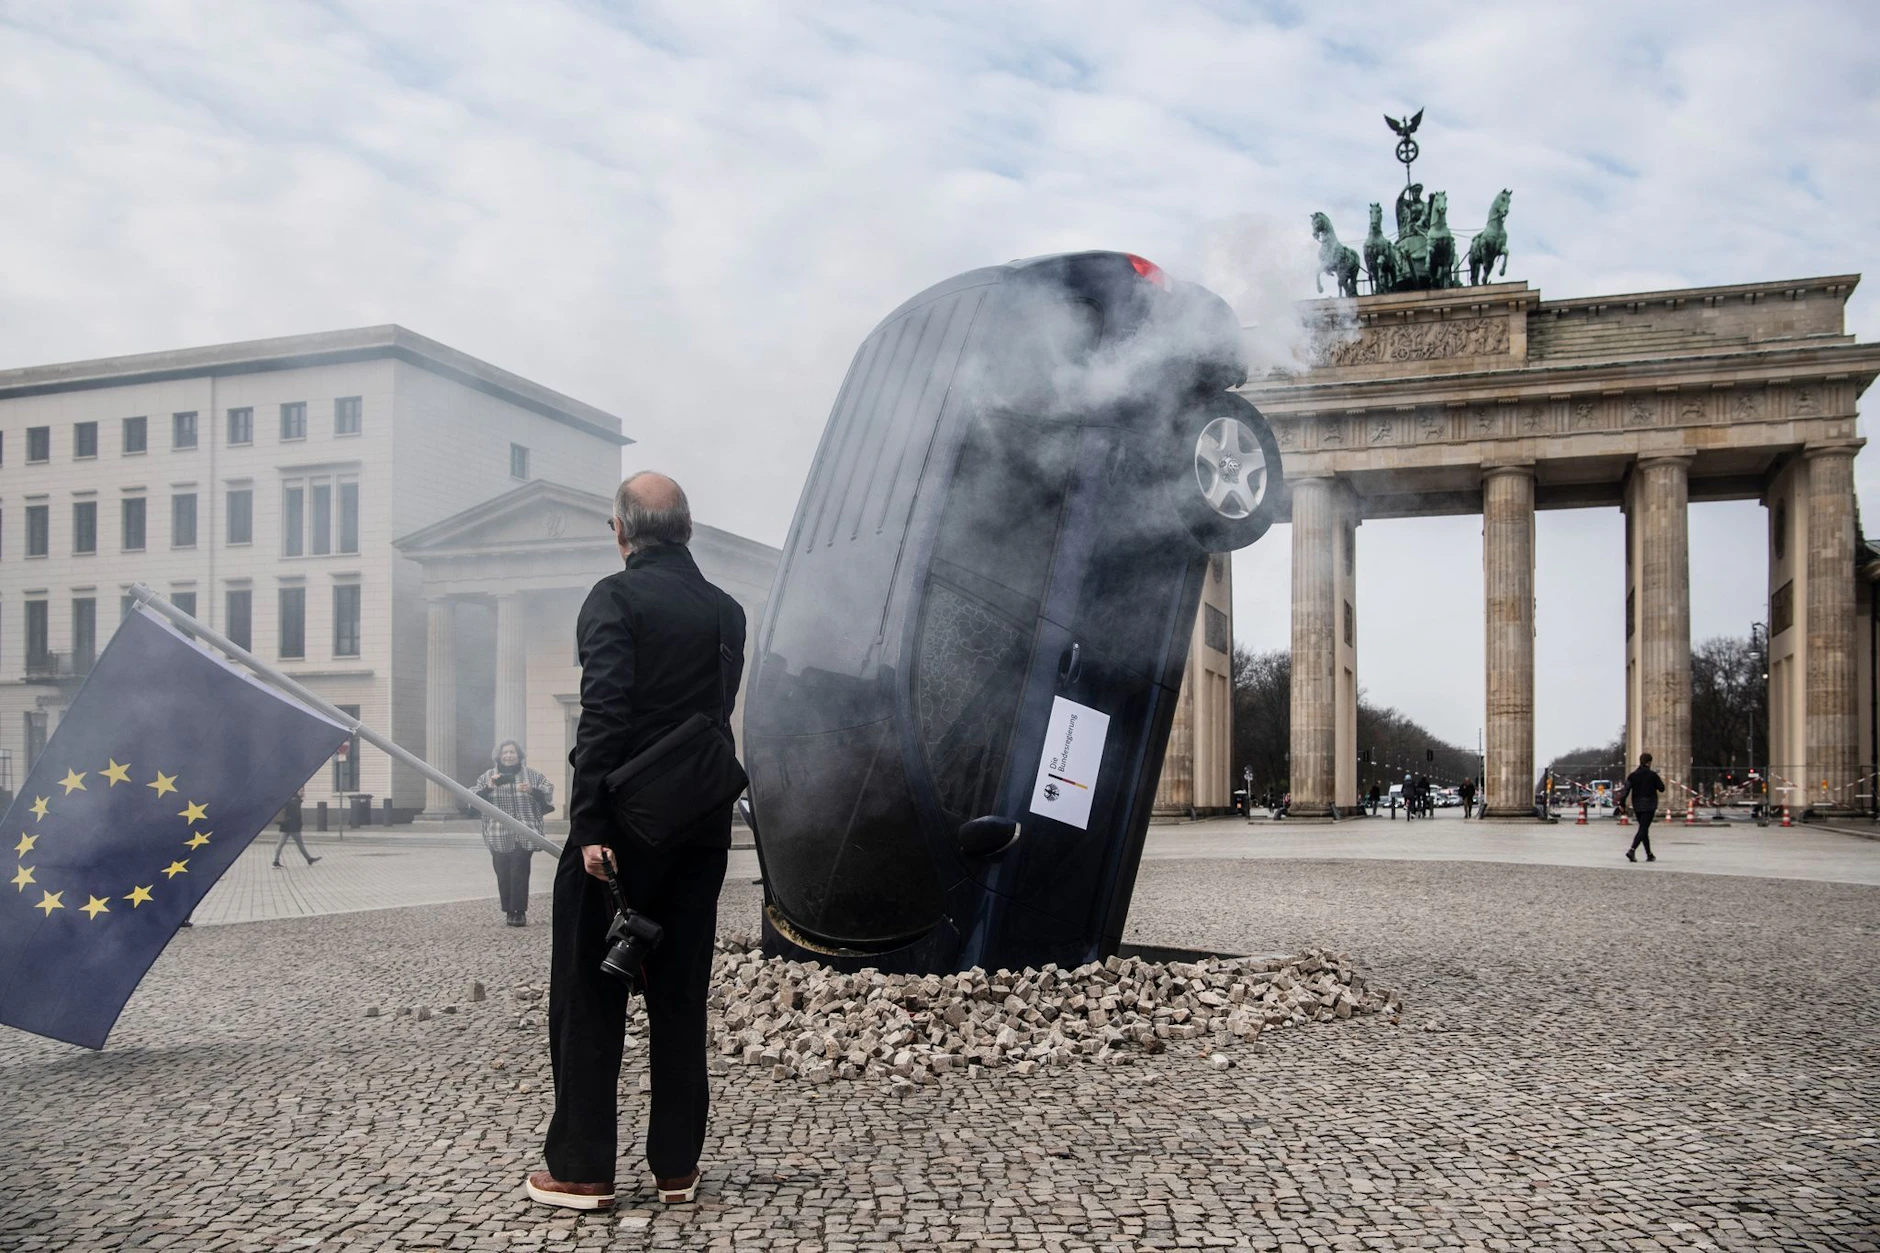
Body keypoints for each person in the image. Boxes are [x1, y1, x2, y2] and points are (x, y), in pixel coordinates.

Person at [528, 473, 746, 1212]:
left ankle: (584, 1170)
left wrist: (588, 823)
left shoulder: (613, 598)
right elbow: (708, 719)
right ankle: (677, 1167)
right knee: (680, 997)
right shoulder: (728, 612)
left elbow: (607, 713)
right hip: (700, 831)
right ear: (687, 528)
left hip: (619, 834)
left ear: (621, 531)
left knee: (590, 996)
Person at [475, 740, 553, 927]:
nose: (509, 756)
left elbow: (548, 793)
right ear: (499, 756)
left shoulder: (532, 775)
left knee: (519, 869)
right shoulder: (487, 776)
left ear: (519, 756)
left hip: (525, 831)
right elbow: (473, 800)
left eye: (512, 752)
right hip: (497, 832)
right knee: (503, 872)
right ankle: (509, 910)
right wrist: (489, 788)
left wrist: (532, 790)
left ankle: (519, 912)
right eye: (505, 753)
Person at [1618, 752, 1666, 862]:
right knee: (1643, 828)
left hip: (1637, 805)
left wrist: (1622, 803)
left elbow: (1625, 790)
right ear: (1649, 762)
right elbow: (1662, 788)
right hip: (1649, 804)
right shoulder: (1652, 775)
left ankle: (1649, 854)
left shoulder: (1632, 775)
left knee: (1643, 829)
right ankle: (1632, 850)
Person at [271, 788, 319, 867]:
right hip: (293, 827)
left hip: (285, 826)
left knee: (280, 844)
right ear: (296, 792)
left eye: (303, 791)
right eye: (301, 791)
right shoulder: (295, 801)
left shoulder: (290, 800)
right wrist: (300, 824)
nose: (303, 792)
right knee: (300, 844)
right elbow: (296, 815)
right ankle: (309, 859)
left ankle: (275, 862)